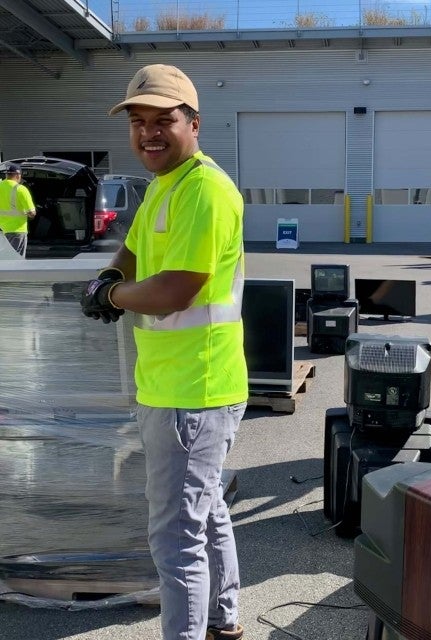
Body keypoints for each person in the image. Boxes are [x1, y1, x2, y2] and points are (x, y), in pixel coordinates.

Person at [80, 64, 248, 640]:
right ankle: (224, 623)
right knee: (207, 515)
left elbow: (178, 288)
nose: (149, 133)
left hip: (191, 393)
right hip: (180, 384)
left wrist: (111, 294)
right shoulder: (163, 186)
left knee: (175, 537)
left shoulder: (203, 190)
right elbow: (130, 246)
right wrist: (110, 273)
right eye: (138, 122)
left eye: (164, 121)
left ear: (193, 124)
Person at [0, 163, 36, 257]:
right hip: (17, 231)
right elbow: (32, 213)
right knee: (16, 260)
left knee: (5, 259)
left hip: (3, 230)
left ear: (7, 175)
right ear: (18, 175)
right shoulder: (20, 189)